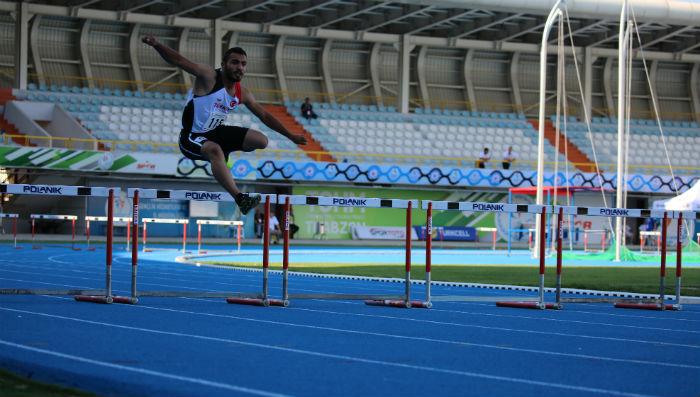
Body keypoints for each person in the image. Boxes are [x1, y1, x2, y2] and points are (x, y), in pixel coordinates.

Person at [142, 34, 307, 215]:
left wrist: (290, 136)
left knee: (261, 141)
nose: (240, 67)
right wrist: (156, 44)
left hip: (215, 132)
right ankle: (240, 198)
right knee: (215, 151)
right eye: (235, 62)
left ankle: (223, 154)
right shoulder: (209, 77)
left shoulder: (242, 93)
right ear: (223, 64)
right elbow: (179, 60)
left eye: (243, 64)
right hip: (191, 137)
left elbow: (265, 115)